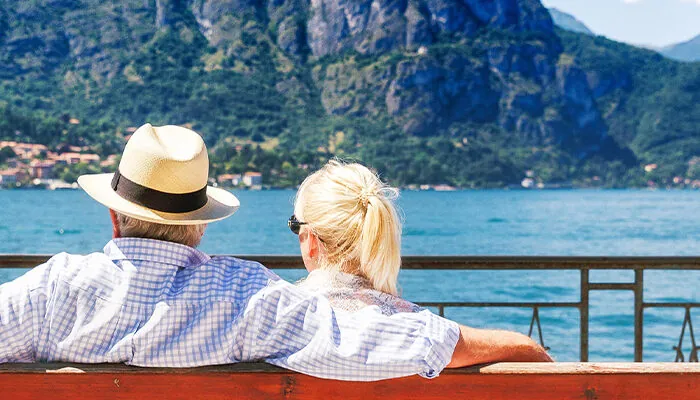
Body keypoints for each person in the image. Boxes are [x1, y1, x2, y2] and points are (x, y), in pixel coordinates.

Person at [0, 123, 471, 382]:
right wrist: (520, 346)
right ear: (200, 226)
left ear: (113, 215)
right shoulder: (247, 296)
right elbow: (368, 344)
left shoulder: (51, 288)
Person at [291, 160, 553, 366]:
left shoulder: (280, 315)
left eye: (296, 225)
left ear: (312, 240)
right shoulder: (412, 329)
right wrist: (526, 346)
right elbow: (529, 354)